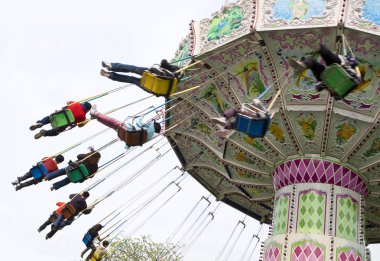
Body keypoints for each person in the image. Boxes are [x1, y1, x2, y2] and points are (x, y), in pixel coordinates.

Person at [288, 44, 362, 95]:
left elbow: (356, 69)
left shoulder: (348, 60)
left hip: (342, 71)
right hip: (331, 74)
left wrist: (357, 76)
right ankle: (303, 65)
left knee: (332, 59)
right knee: (313, 61)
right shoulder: (337, 60)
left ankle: (319, 47)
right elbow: (318, 88)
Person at [90, 105, 161, 148]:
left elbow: (138, 125)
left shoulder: (149, 129)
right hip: (126, 137)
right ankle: (97, 116)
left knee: (112, 121)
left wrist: (140, 117)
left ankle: (95, 113)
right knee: (112, 124)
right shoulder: (149, 137)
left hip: (128, 130)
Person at [100, 59, 181, 87]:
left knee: (133, 69)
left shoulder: (177, 70)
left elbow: (163, 63)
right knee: (131, 79)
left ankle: (111, 66)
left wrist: (165, 64)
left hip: (154, 75)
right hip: (151, 87)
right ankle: (110, 75)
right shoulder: (175, 83)